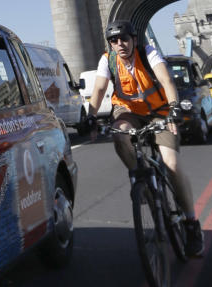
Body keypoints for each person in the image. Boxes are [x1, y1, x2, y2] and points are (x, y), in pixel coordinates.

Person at [87, 20, 204, 257]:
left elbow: (166, 80)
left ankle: (191, 223)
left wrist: (173, 109)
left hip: (160, 112)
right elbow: (99, 89)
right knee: (119, 135)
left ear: (134, 40)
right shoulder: (107, 60)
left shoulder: (148, 52)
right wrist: (89, 116)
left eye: (124, 39)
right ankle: (138, 178)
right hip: (129, 111)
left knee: (170, 163)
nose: (119, 44)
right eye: (114, 41)